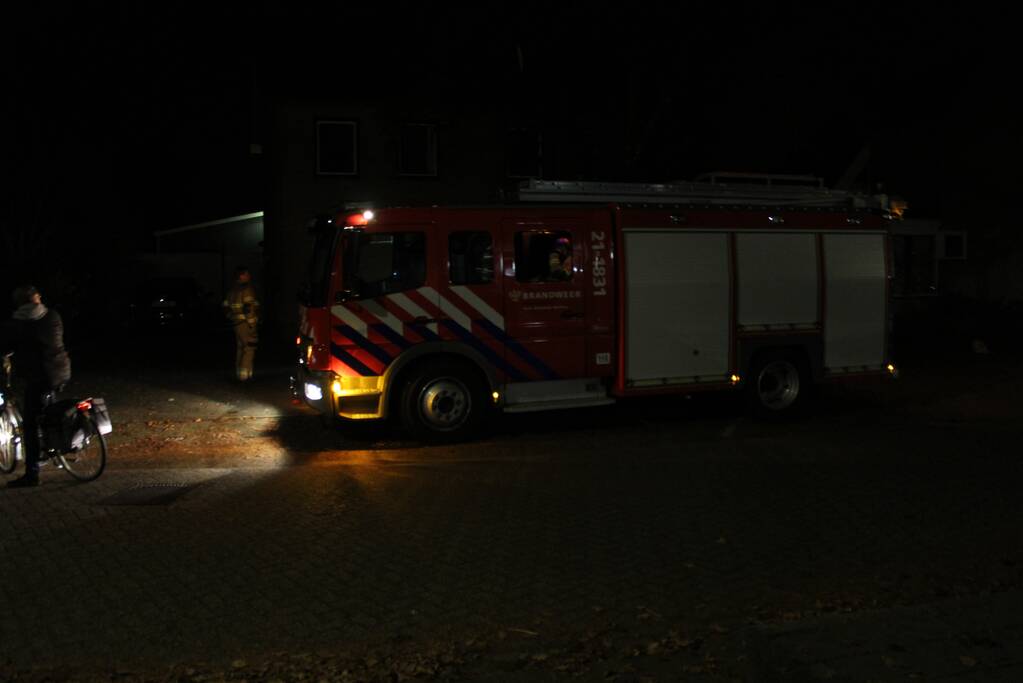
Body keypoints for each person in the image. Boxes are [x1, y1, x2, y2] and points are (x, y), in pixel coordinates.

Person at [0, 285, 72, 488]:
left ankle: (32, 473)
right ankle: (55, 447)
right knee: (50, 413)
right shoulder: (53, 316)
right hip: (62, 370)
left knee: (30, 424)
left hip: (39, 376)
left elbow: (6, 346)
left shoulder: (17, 324)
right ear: (35, 299)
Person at [223, 266, 260, 381]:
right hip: (245, 323)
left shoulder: (232, 290)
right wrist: (252, 324)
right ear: (241, 276)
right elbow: (249, 309)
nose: (249, 276)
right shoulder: (246, 289)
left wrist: (232, 317)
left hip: (236, 324)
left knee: (240, 348)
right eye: (247, 274)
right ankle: (245, 375)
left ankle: (239, 373)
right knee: (249, 347)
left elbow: (225, 307)